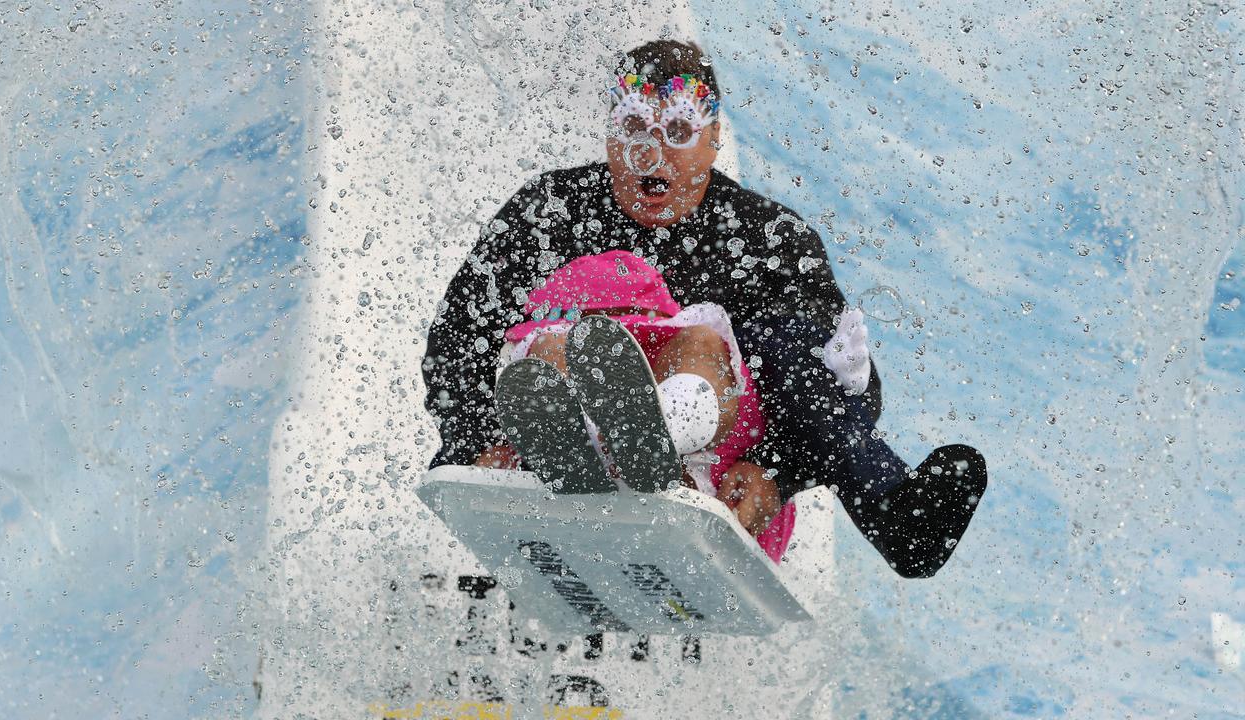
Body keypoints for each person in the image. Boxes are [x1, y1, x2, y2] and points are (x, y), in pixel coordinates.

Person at [422, 39, 986, 578]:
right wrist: (471, 441)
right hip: (550, 462)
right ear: (609, 134)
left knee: (728, 346)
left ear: (714, 138)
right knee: (554, 345)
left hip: (711, 477)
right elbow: (457, 338)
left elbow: (850, 394)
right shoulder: (549, 213)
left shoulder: (765, 240)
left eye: (676, 131)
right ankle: (579, 441)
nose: (651, 152)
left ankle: (670, 443)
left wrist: (774, 473)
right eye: (633, 128)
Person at [481, 250, 794, 559]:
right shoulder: (521, 404)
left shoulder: (704, 353)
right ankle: (594, 433)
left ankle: (656, 428)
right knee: (552, 348)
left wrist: (774, 480)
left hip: (697, 502)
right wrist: (486, 473)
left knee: (701, 342)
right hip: (590, 500)